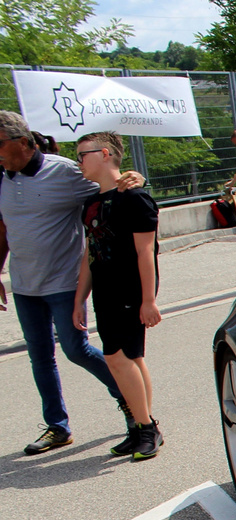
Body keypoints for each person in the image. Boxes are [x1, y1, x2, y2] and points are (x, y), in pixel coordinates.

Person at [0, 110, 144, 455]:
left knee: (75, 349)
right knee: (39, 357)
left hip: (64, 280)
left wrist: (133, 178)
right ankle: (57, 427)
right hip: (24, 284)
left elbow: (110, 183)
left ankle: (133, 404)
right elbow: (2, 229)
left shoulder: (64, 172)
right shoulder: (1, 177)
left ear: (22, 143)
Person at [71, 132, 161, 460]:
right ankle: (141, 427)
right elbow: (90, 253)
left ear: (105, 154)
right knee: (131, 358)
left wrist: (148, 299)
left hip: (129, 289)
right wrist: (80, 297)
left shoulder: (134, 198)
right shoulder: (92, 202)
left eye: (83, 155)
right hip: (105, 291)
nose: (78, 161)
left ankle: (146, 428)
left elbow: (146, 250)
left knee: (117, 358)